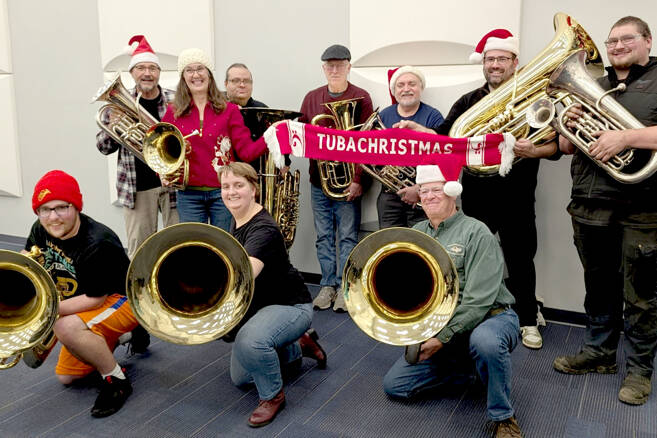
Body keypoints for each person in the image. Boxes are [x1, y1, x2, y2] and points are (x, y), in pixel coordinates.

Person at [397, 29, 559, 350]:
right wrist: (421, 131)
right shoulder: (469, 101)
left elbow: (556, 147)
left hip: (518, 195)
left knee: (521, 258)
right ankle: (464, 318)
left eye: (501, 59)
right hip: (476, 194)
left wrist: (532, 150)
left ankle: (527, 319)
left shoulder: (535, 99)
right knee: (468, 259)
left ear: (514, 62)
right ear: (483, 63)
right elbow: (446, 142)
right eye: (490, 59)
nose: (495, 65)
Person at [553, 16, 657, 406]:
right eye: (611, 41)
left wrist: (625, 137)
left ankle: (639, 370)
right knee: (598, 287)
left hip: (642, 206)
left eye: (625, 39)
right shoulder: (595, 82)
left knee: (642, 294)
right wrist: (570, 124)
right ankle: (599, 354)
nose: (615, 46)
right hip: (590, 202)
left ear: (647, 40)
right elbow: (565, 147)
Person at [382, 165, 522, 438]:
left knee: (486, 343)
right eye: (424, 191)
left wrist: (441, 337)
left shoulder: (476, 232)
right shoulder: (418, 231)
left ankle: (503, 417)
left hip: (490, 317)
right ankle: (469, 370)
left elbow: (478, 301)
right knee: (395, 385)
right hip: (446, 323)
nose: (430, 196)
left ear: (452, 193)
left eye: (437, 190)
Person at [25, 170, 147, 418]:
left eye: (62, 207)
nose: (53, 217)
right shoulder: (40, 229)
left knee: (65, 328)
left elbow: (96, 299)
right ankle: (122, 336)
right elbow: (30, 270)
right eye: (45, 209)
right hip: (83, 301)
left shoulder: (97, 241)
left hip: (122, 300)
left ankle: (117, 381)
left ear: (76, 207)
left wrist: (44, 311)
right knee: (67, 377)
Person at [218, 162, 327, 427]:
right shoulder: (237, 220)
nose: (231, 192)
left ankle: (273, 396)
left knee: (250, 341)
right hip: (263, 307)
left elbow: (244, 274)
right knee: (241, 379)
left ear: (254, 189)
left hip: (291, 305)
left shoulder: (263, 229)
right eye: (225, 186)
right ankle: (297, 344)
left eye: (239, 185)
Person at [298, 44, 373, 312]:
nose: (334, 70)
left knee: (348, 237)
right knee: (324, 236)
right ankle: (327, 285)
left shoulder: (362, 97)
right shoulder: (311, 98)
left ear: (349, 66)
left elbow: (366, 143)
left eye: (340, 65)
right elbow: (304, 135)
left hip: (348, 182)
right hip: (320, 180)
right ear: (323, 68)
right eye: (329, 65)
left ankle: (345, 288)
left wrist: (357, 179)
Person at [162, 48, 268, 231]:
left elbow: (246, 152)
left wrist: (272, 136)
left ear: (209, 75)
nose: (196, 74)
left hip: (225, 192)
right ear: (183, 77)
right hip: (188, 194)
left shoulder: (230, 110)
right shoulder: (173, 112)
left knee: (225, 248)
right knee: (195, 247)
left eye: (200, 69)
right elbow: (160, 152)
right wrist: (163, 173)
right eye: (189, 70)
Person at [96, 35, 177, 259]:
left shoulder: (175, 100)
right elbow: (103, 147)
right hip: (137, 187)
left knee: (179, 243)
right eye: (141, 68)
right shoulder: (118, 103)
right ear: (132, 73)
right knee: (140, 250)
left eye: (152, 68)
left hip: (173, 184)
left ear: (159, 72)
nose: (147, 73)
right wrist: (113, 127)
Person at [377, 65, 444, 228]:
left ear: (421, 88)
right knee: (389, 244)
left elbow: (443, 154)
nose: (406, 89)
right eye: (400, 85)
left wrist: (418, 188)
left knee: (421, 245)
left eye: (412, 84)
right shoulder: (383, 115)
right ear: (394, 91)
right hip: (389, 196)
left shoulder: (433, 115)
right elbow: (373, 155)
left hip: (423, 194)